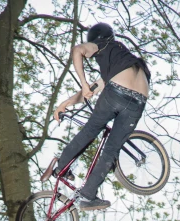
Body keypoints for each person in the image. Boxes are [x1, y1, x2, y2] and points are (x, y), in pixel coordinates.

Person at [44, 23, 151, 211]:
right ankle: (87, 196)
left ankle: (62, 166)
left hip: (116, 93)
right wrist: (65, 104)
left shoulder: (105, 44)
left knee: (91, 130)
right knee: (111, 150)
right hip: (137, 102)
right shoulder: (124, 60)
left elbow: (77, 50)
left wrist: (84, 84)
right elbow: (92, 89)